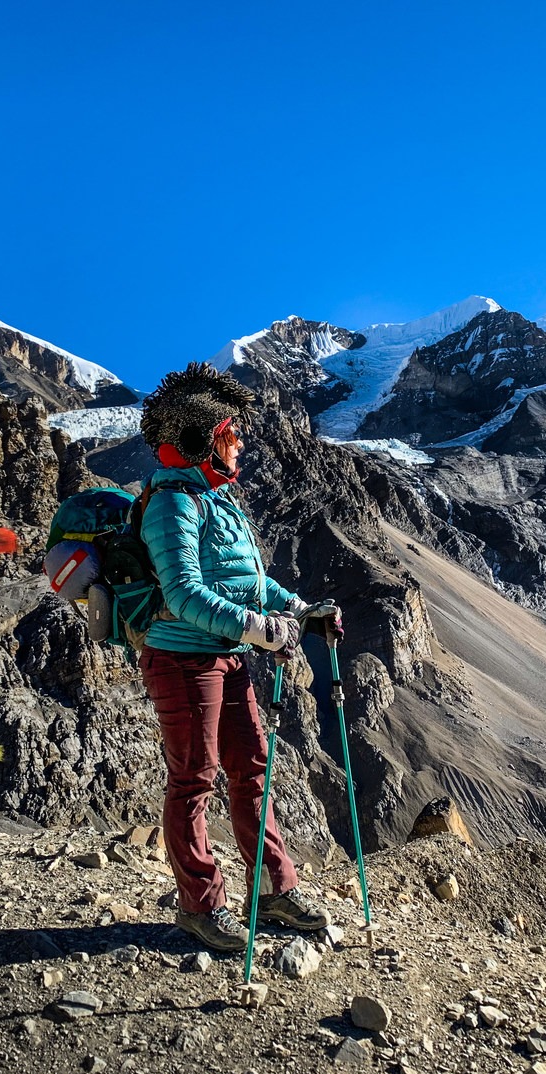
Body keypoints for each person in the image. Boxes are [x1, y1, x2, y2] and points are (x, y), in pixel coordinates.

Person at [137, 362, 337, 953]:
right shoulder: (171, 505)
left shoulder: (217, 501)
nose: (240, 441)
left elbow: (249, 581)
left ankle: (274, 888)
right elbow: (183, 594)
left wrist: (302, 611)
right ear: (205, 438)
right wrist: (257, 630)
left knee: (253, 770)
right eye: (231, 432)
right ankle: (199, 906)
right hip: (183, 661)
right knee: (195, 779)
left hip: (227, 657)